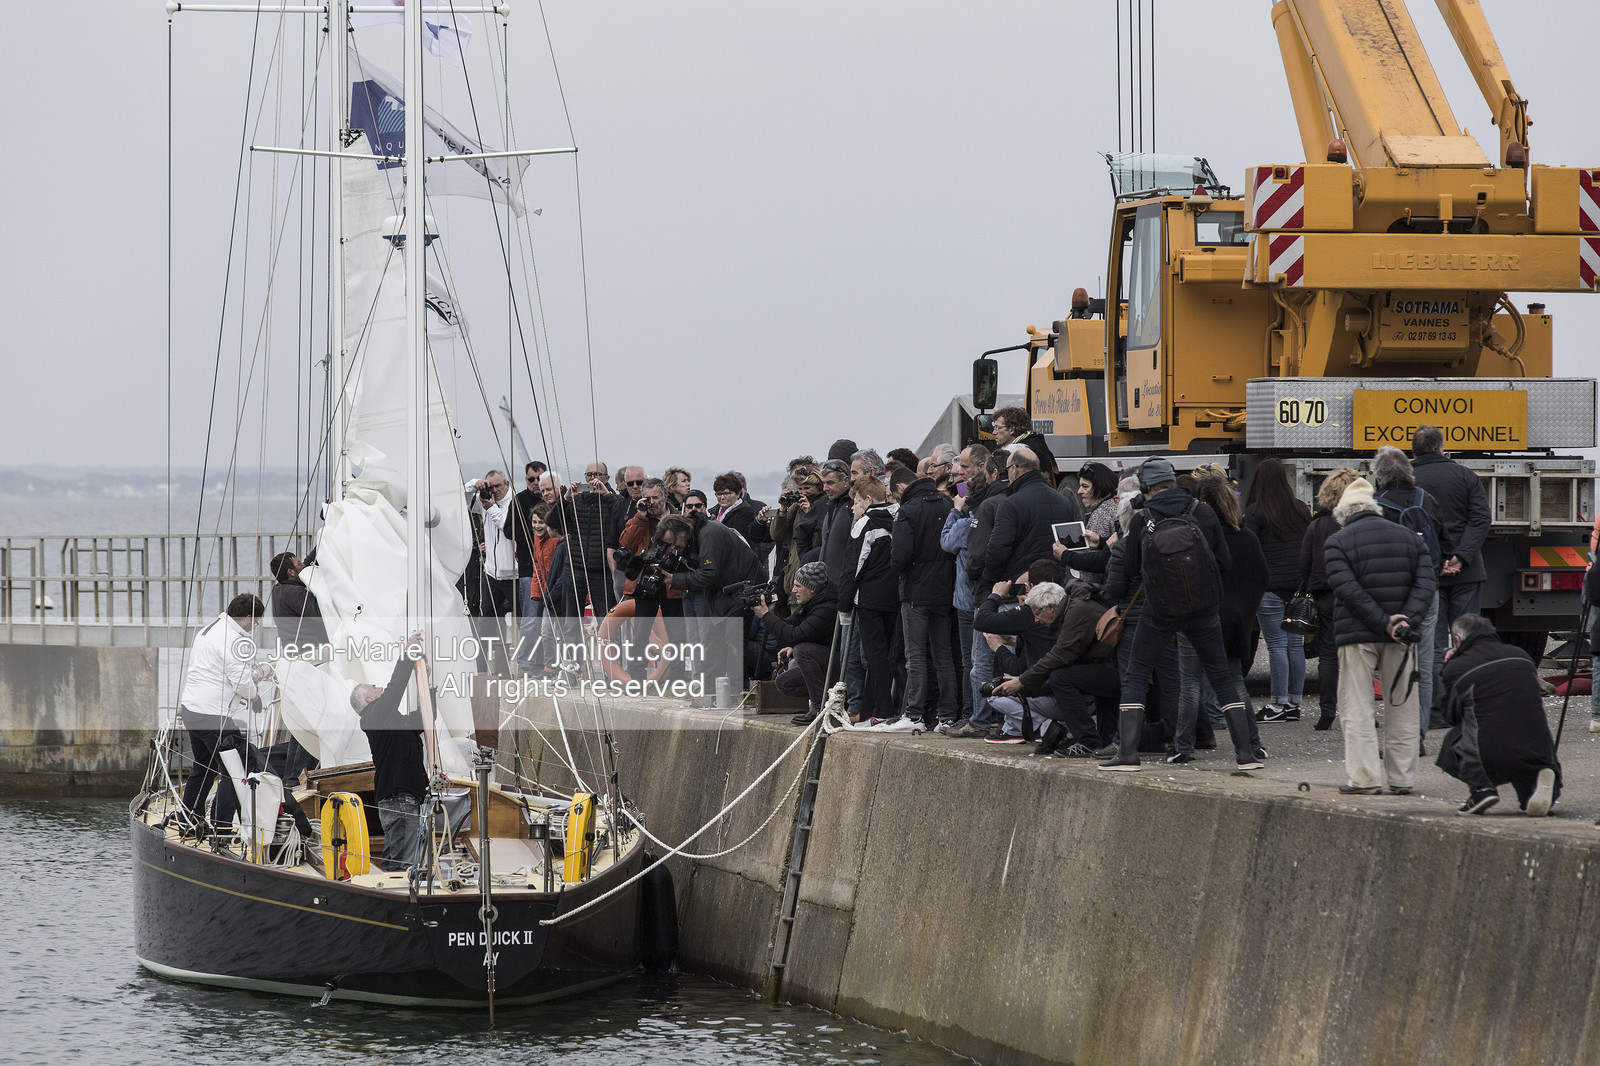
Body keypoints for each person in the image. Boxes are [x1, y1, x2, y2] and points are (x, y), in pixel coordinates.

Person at [1099, 457, 1259, 771]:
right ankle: (1246, 754)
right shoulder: (1203, 511)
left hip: (1158, 612)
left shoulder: (1142, 518)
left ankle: (1128, 754)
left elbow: (1131, 569)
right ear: (1173, 483)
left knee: (1135, 675)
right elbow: (1224, 563)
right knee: (1221, 676)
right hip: (1203, 610)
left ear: (1146, 488)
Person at [1323, 477, 1437, 796]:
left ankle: (1364, 778)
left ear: (1344, 514)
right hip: (1402, 636)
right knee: (1402, 706)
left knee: (1356, 707)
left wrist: (1380, 621)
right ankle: (1403, 778)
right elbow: (1426, 584)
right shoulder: (1410, 538)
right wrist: (1403, 622)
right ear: (1375, 509)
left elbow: (1347, 589)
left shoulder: (1338, 542)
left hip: (1356, 635)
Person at [1169, 472, 1268, 765]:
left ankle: (1183, 746)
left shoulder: (1194, 536)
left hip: (1197, 616)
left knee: (1189, 683)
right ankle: (1253, 742)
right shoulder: (1246, 537)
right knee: (1236, 683)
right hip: (1235, 621)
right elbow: (1262, 578)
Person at [176, 594, 293, 838]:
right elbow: (240, 680)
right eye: (256, 622)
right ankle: (222, 828)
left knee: (204, 769)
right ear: (248, 617)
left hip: (193, 710)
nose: (255, 627)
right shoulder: (232, 640)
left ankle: (188, 822)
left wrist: (257, 676)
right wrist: (254, 695)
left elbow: (229, 671)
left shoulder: (212, 629)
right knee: (234, 770)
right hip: (213, 716)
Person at [1435, 614, 1561, 815]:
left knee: (1454, 739)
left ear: (1457, 641)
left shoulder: (1458, 667)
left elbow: (1451, 716)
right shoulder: (1520, 655)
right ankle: (1542, 783)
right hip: (1537, 750)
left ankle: (1481, 788)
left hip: (1490, 753)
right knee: (1530, 790)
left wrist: (1448, 668)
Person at [1411, 424, 1492, 727]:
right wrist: (1461, 556)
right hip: (1467, 572)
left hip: (1426, 573)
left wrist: (1440, 559)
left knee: (1431, 645)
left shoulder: (1408, 478)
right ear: (1441, 448)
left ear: (1414, 450)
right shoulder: (1464, 475)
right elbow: (1481, 518)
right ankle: (1467, 710)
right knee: (1468, 643)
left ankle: (1435, 711)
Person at [1371, 445, 1452, 743]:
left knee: (1392, 663)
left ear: (1379, 475)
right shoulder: (1425, 499)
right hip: (1427, 590)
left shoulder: (1375, 504)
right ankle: (1418, 732)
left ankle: (1399, 734)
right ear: (1409, 470)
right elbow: (1445, 541)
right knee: (1426, 663)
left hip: (1391, 594)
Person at [988, 579, 1118, 755]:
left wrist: (1022, 682)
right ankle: (1097, 740)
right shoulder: (1072, 609)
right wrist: (1025, 684)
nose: (1036, 619)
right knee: (1063, 677)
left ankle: (1088, 741)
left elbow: (1058, 656)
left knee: (1061, 678)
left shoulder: (1077, 611)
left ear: (1050, 607)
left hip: (1115, 670)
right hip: (1109, 668)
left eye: (1037, 613)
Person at [657, 512, 765, 692]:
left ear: (683, 530)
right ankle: (710, 692)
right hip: (726, 592)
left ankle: (734, 692)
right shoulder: (697, 535)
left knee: (733, 641)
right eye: (670, 544)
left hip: (742, 589)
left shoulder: (708, 534)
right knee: (714, 642)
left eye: (673, 541)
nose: (674, 546)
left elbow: (708, 573)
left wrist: (676, 579)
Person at [349, 634, 431, 872]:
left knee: (406, 858)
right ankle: (391, 896)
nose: (380, 688)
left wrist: (427, 682)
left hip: (408, 797)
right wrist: (407, 654)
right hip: (399, 799)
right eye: (375, 687)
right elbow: (396, 687)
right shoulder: (373, 717)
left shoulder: (391, 721)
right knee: (399, 860)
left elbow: (424, 718)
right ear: (369, 698)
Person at [1243, 457, 1312, 722]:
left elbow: (1249, 549)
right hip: (1297, 587)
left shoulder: (1256, 511)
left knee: (1276, 646)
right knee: (1295, 646)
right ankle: (1294, 704)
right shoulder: (1300, 509)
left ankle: (1277, 705)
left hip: (1269, 587)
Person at [1297, 468, 1361, 731]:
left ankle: (1327, 712)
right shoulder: (1360, 522)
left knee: (1328, 655)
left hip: (1325, 594)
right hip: (1357, 595)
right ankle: (1359, 709)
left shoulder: (1317, 525)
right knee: (1358, 655)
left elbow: (1304, 564)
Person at [839, 476, 900, 726]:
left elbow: (854, 566)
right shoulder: (898, 516)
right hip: (895, 596)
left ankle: (880, 712)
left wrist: (843, 604)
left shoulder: (864, 523)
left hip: (869, 598)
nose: (852, 508)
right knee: (892, 655)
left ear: (869, 500)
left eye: (856, 502)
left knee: (874, 657)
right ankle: (892, 708)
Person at [941, 444, 991, 730]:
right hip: (978, 596)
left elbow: (946, 542)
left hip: (965, 600)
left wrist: (956, 511)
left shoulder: (965, 521)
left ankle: (973, 714)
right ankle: (984, 713)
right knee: (982, 661)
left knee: (971, 662)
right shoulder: (988, 513)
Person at [979, 448, 1078, 589]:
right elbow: (1070, 544)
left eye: (1007, 469)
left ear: (1014, 469)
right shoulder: (1064, 502)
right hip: (1054, 587)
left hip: (1018, 589)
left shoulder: (1010, 505)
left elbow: (998, 550)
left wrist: (990, 583)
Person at [754, 562, 839, 724]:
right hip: (826, 663)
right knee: (784, 683)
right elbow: (789, 625)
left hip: (840, 666)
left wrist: (766, 616)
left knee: (802, 650)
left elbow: (794, 636)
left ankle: (819, 708)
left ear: (812, 588)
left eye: (798, 586)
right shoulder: (813, 601)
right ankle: (831, 700)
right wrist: (771, 612)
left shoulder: (827, 608)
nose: (793, 591)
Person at [268, 551, 329, 657]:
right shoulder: (295, 593)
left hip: (295, 651)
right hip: (310, 652)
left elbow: (307, 563)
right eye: (299, 563)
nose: (303, 565)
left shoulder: (279, 588)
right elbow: (323, 613)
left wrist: (322, 545)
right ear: (291, 572)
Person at [991, 405, 1064, 490]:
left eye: (997, 427)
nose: (994, 432)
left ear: (1011, 429)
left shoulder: (1021, 451)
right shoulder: (1037, 444)